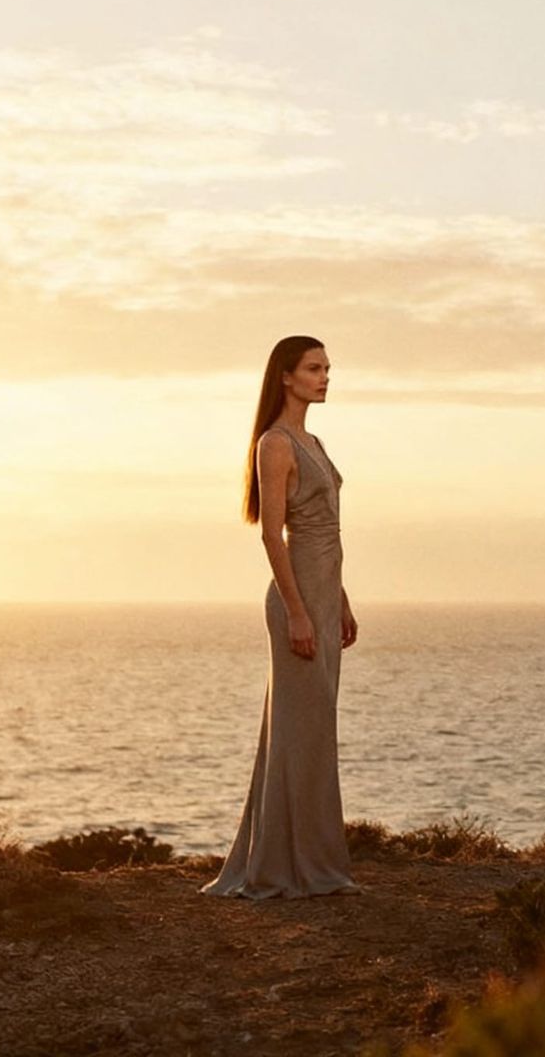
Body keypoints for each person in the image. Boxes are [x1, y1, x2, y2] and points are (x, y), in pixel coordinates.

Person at [200, 335, 362, 899]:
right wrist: (297, 612)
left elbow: (329, 534)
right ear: (286, 377)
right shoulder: (275, 443)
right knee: (301, 733)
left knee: (312, 734)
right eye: (314, 368)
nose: (325, 377)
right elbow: (273, 535)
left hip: (322, 595)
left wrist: (338, 600)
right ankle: (285, 868)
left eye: (327, 368)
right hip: (295, 602)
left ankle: (312, 863)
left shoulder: (312, 438)